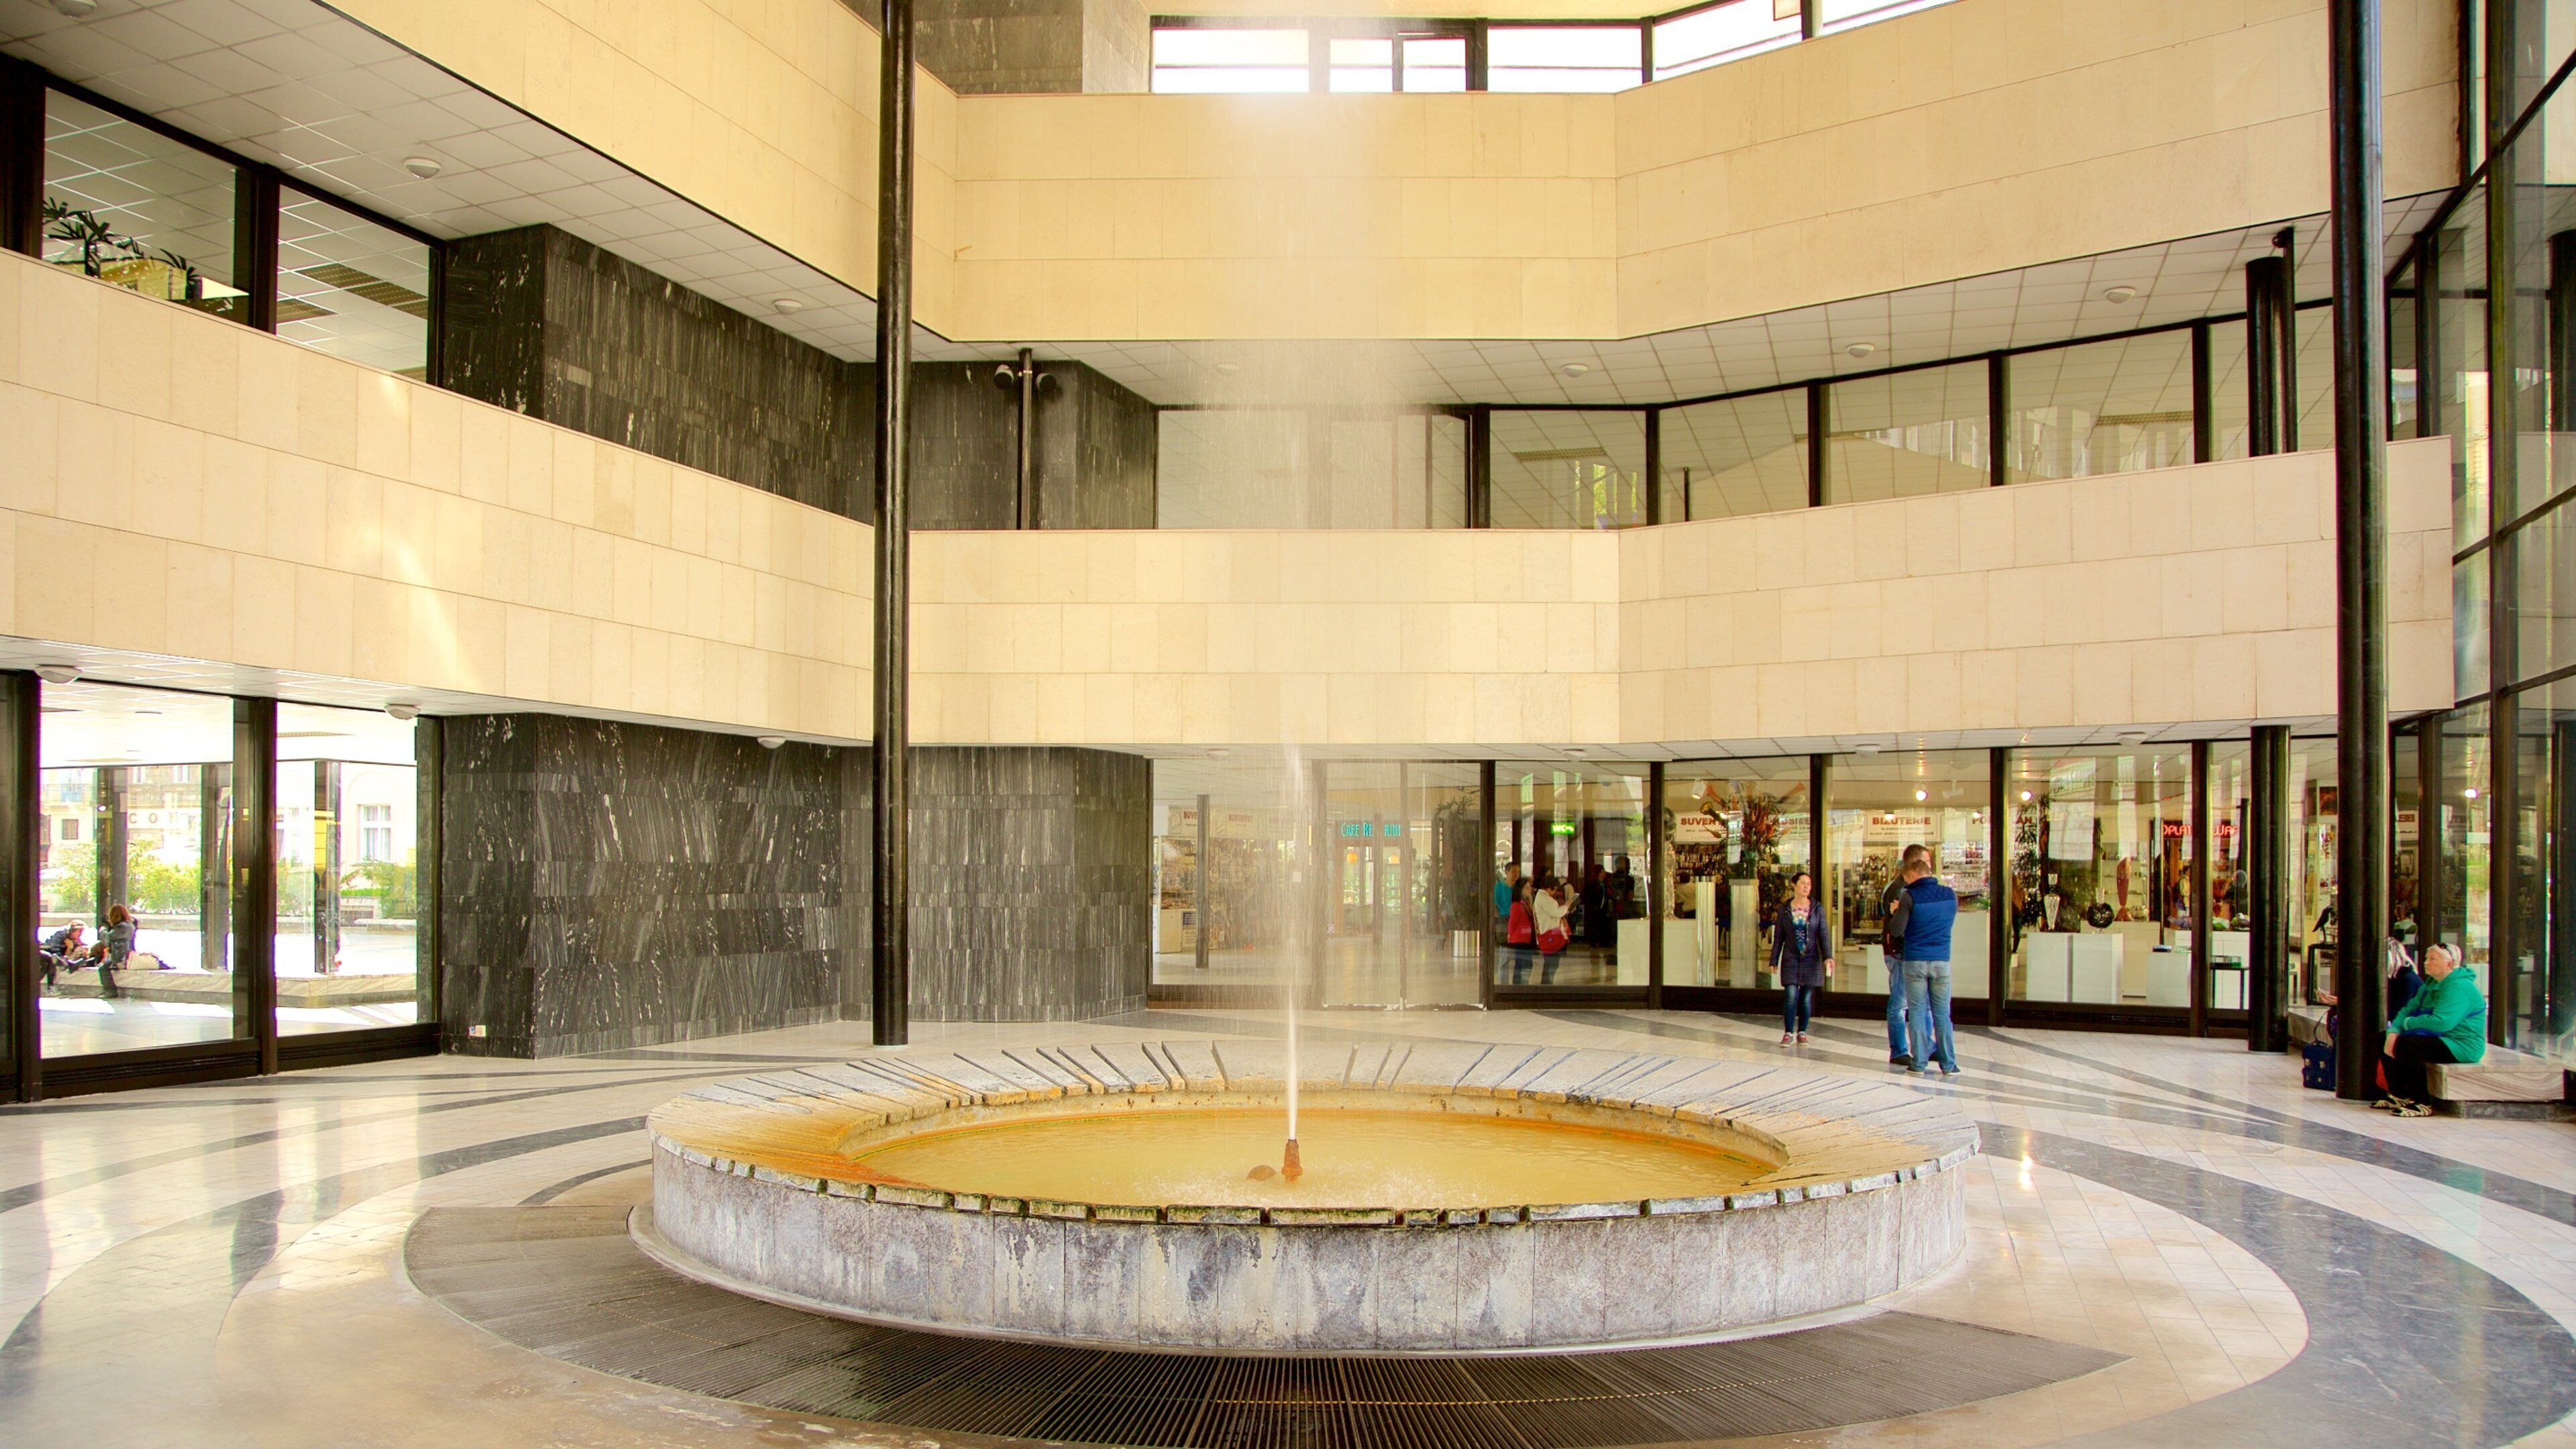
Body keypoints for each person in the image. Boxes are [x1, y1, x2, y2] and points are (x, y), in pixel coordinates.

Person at [2376, 943, 2486, 1116]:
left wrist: (2408, 1024)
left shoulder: (2460, 988)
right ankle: (2400, 1094)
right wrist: (2394, 1031)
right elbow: (2407, 1009)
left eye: (2432, 959)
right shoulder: (2430, 985)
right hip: (2439, 1038)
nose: (2426, 962)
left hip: (2461, 1045)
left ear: (2449, 964)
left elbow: (2441, 1023)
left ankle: (2422, 1102)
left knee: (2409, 1045)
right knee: (2383, 1038)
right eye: (2427, 958)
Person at [1888, 846, 1962, 1076]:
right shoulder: (1950, 895)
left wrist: (1896, 912)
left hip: (1915, 962)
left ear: (1914, 875)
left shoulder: (1910, 896)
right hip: (1941, 961)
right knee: (1942, 1014)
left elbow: (1897, 931)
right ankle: (1949, 1064)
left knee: (1918, 1012)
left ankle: (1919, 1063)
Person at [1769, 870, 1832, 1044]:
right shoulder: (1785, 909)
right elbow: (1779, 936)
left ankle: (1802, 1031)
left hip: (1811, 958)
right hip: (1791, 957)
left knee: (1805, 999)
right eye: (1803, 883)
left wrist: (1828, 956)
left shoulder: (1817, 908)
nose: (1806, 886)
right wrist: (1774, 959)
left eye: (1809, 884)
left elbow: (1824, 934)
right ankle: (1788, 1032)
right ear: (1794, 885)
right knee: (1790, 995)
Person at [1878, 867, 1911, 1063]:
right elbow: (1897, 926)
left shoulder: (1906, 889)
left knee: (1919, 1005)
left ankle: (1927, 1046)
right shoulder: (1898, 889)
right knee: (1899, 1004)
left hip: (1909, 953)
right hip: (1900, 954)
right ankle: (1899, 1051)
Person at [93, 903, 137, 1001]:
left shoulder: (122, 927)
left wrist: (103, 930)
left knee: (103, 968)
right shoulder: (128, 925)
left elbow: (108, 939)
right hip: (125, 956)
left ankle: (110, 991)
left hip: (121, 958)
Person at [1532, 875, 1572, 983]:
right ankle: (1546, 986)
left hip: (1548, 932)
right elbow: (1557, 912)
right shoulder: (1545, 898)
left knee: (1551, 963)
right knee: (1551, 963)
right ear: (1551, 888)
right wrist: (1566, 906)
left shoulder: (1542, 897)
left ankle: (1547, 985)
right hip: (1549, 934)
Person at [1504, 879, 1536, 983]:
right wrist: (1510, 935)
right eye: (1526, 888)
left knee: (1526, 964)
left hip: (1526, 939)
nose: (1529, 889)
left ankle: (1522, 985)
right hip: (1520, 939)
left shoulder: (1526, 903)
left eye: (1529, 887)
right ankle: (1518, 986)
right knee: (1523, 964)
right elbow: (1512, 923)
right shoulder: (1517, 905)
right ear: (1520, 890)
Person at [39, 920, 85, 987]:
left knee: (50, 965)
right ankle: (66, 964)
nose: (81, 934)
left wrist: (71, 948)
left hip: (54, 959)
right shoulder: (61, 935)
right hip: (47, 953)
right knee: (51, 958)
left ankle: (50, 987)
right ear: (73, 930)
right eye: (80, 931)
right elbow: (55, 948)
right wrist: (61, 959)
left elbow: (68, 955)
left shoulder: (75, 940)